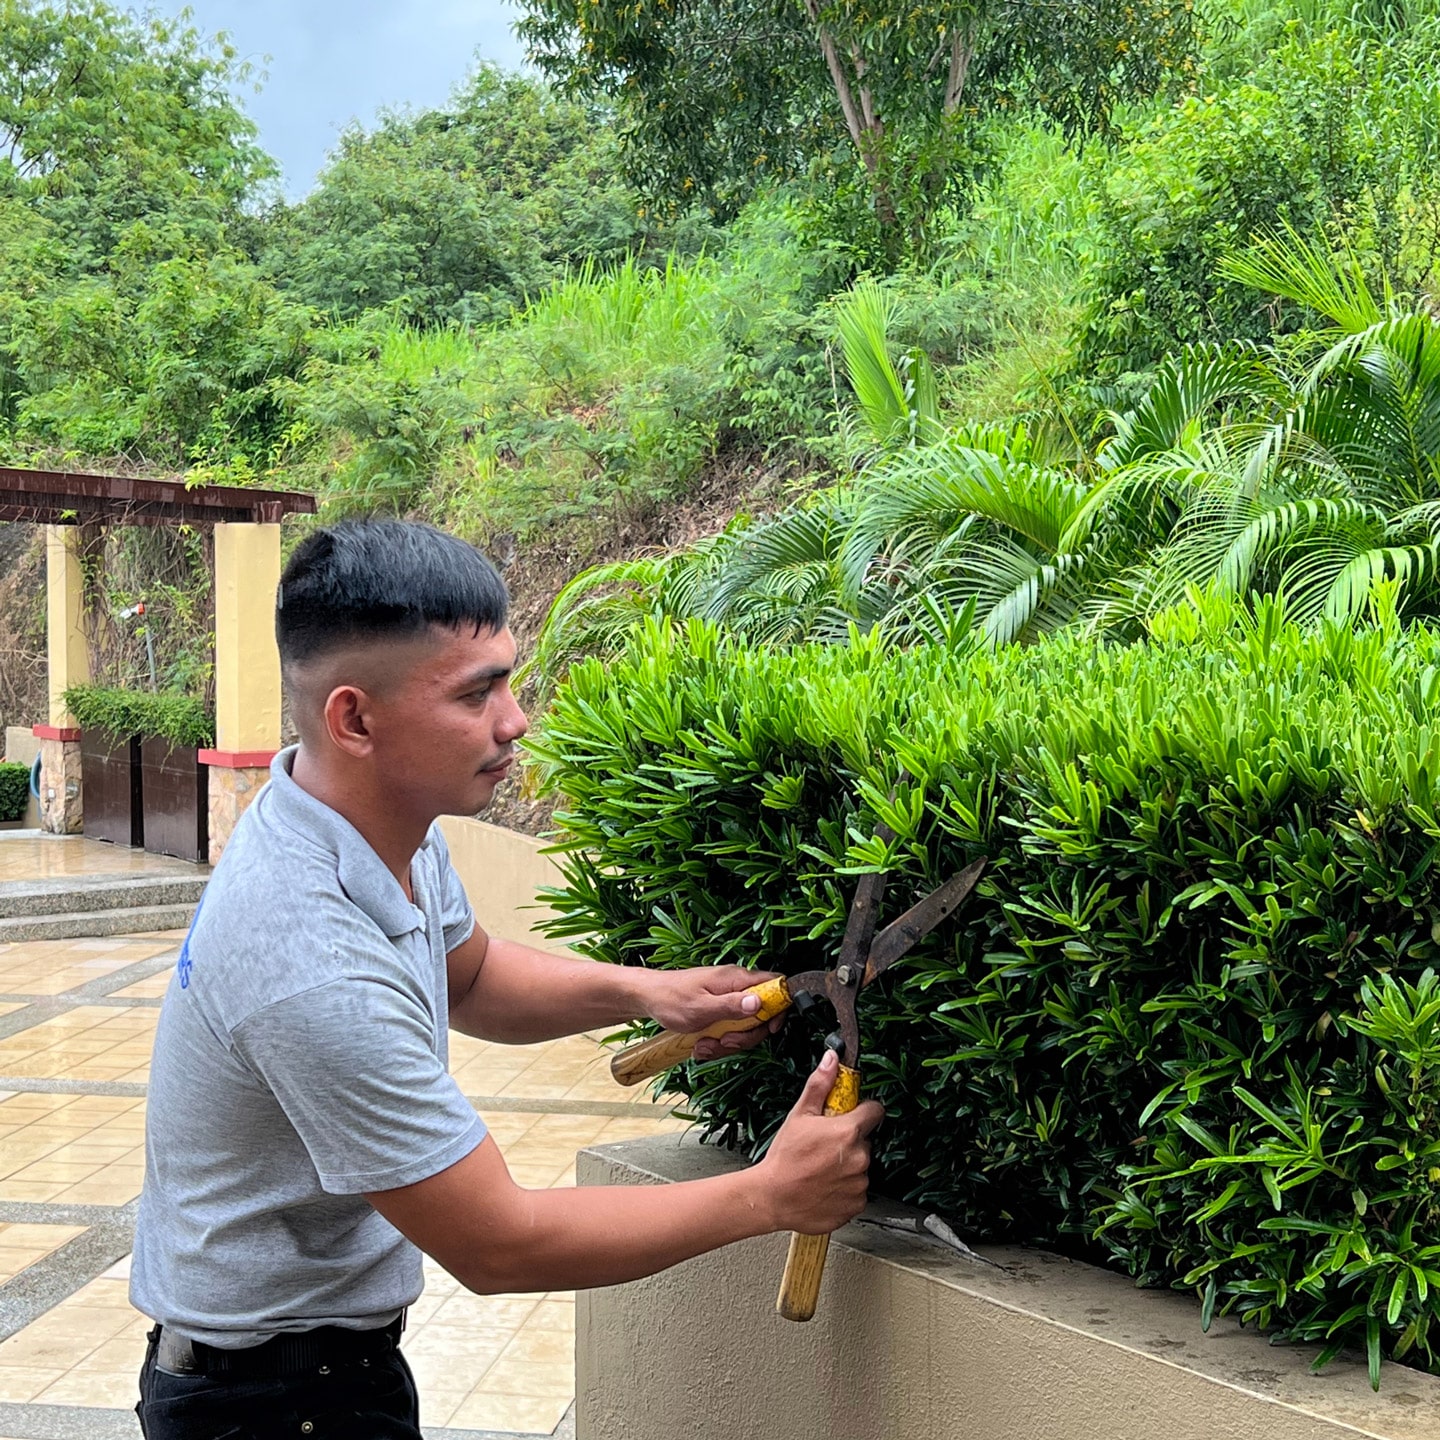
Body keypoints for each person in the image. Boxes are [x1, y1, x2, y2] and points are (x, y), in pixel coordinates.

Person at [130, 518, 883, 1439]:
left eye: (507, 680)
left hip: (324, 1370)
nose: (515, 719)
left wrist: (647, 992)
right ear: (354, 719)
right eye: (475, 693)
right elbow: (498, 1245)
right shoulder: (309, 958)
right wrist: (768, 1196)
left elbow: (473, 976)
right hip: (263, 1408)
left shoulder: (369, 823)